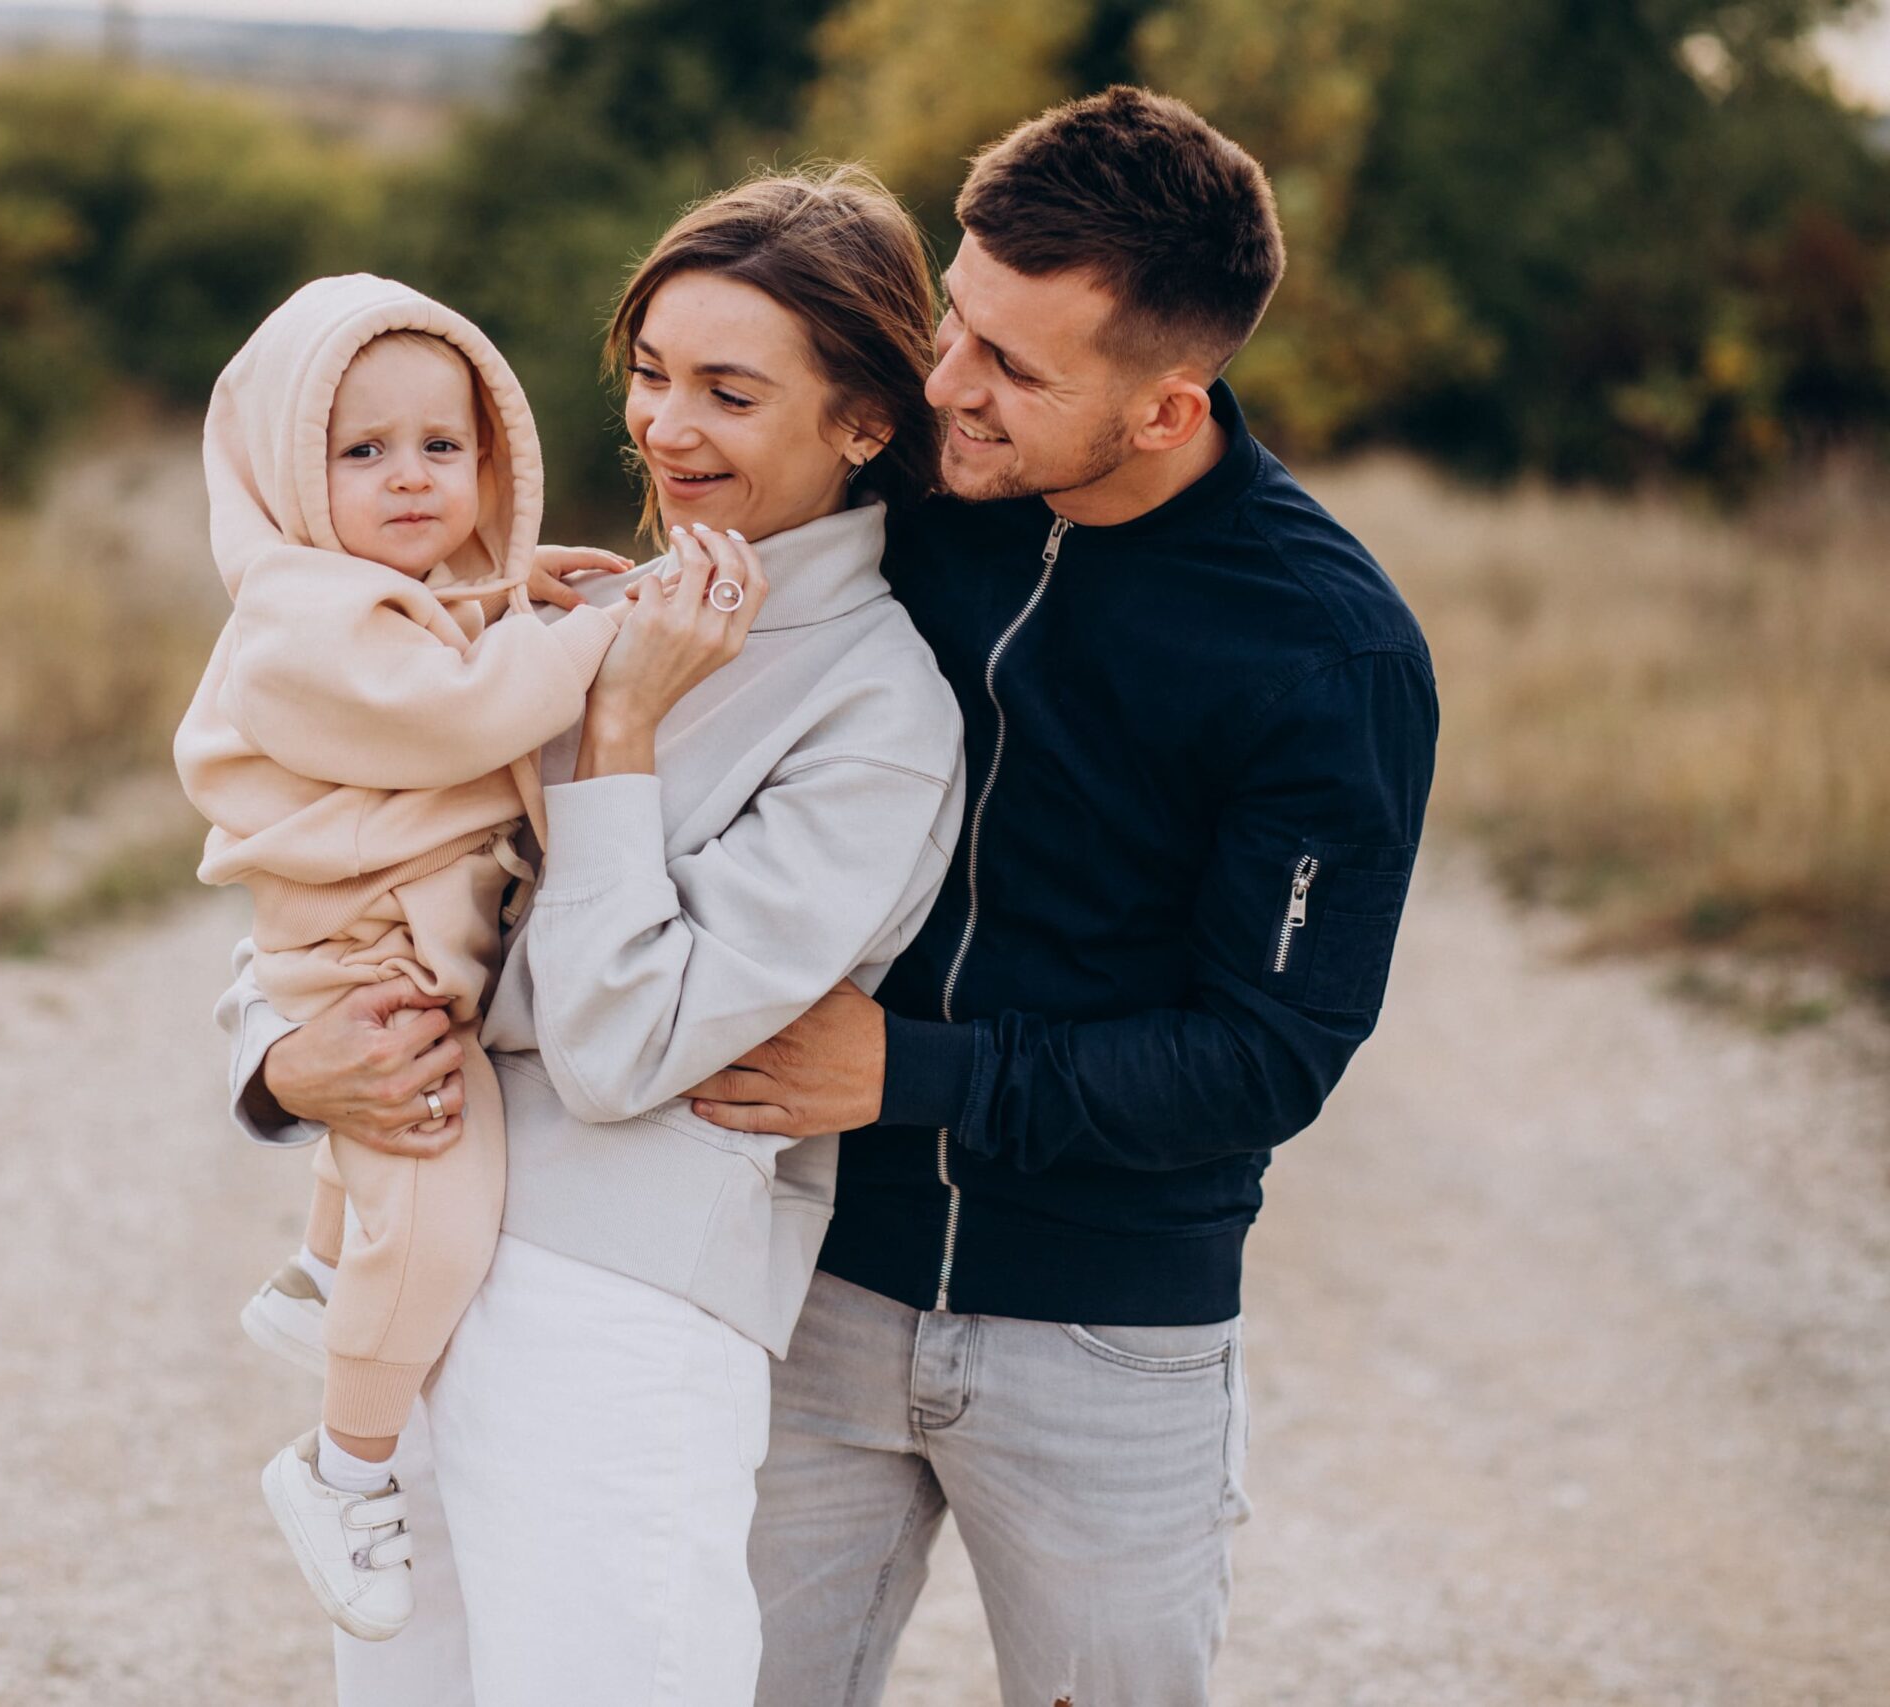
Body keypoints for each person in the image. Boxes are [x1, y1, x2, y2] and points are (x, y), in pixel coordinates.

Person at [679, 88, 1440, 1707]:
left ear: (1171, 408)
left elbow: (1268, 1055)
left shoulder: (1326, 651)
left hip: (1109, 1344)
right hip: (812, 1281)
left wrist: (913, 1073)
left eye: (1017, 370)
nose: (948, 385)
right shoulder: (920, 501)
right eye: (960, 323)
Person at [217, 168, 966, 1703]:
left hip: (621, 1302)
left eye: (729, 392)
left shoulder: (881, 712)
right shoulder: (562, 617)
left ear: (864, 424)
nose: (664, 427)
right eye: (649, 374)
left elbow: (626, 1048)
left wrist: (621, 726)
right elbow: (341, 874)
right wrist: (288, 1061)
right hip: (419, 1261)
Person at [173, 274, 631, 1639]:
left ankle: (320, 1277)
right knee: (442, 1212)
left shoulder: (378, 597)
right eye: (361, 451)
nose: (412, 478)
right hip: (368, 970)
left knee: (398, 1208)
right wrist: (601, 629)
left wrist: (506, 589)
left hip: (386, 941)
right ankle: (342, 1463)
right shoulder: (295, 618)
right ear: (284, 474)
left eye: (445, 446)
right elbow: (450, 711)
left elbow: (436, 638)